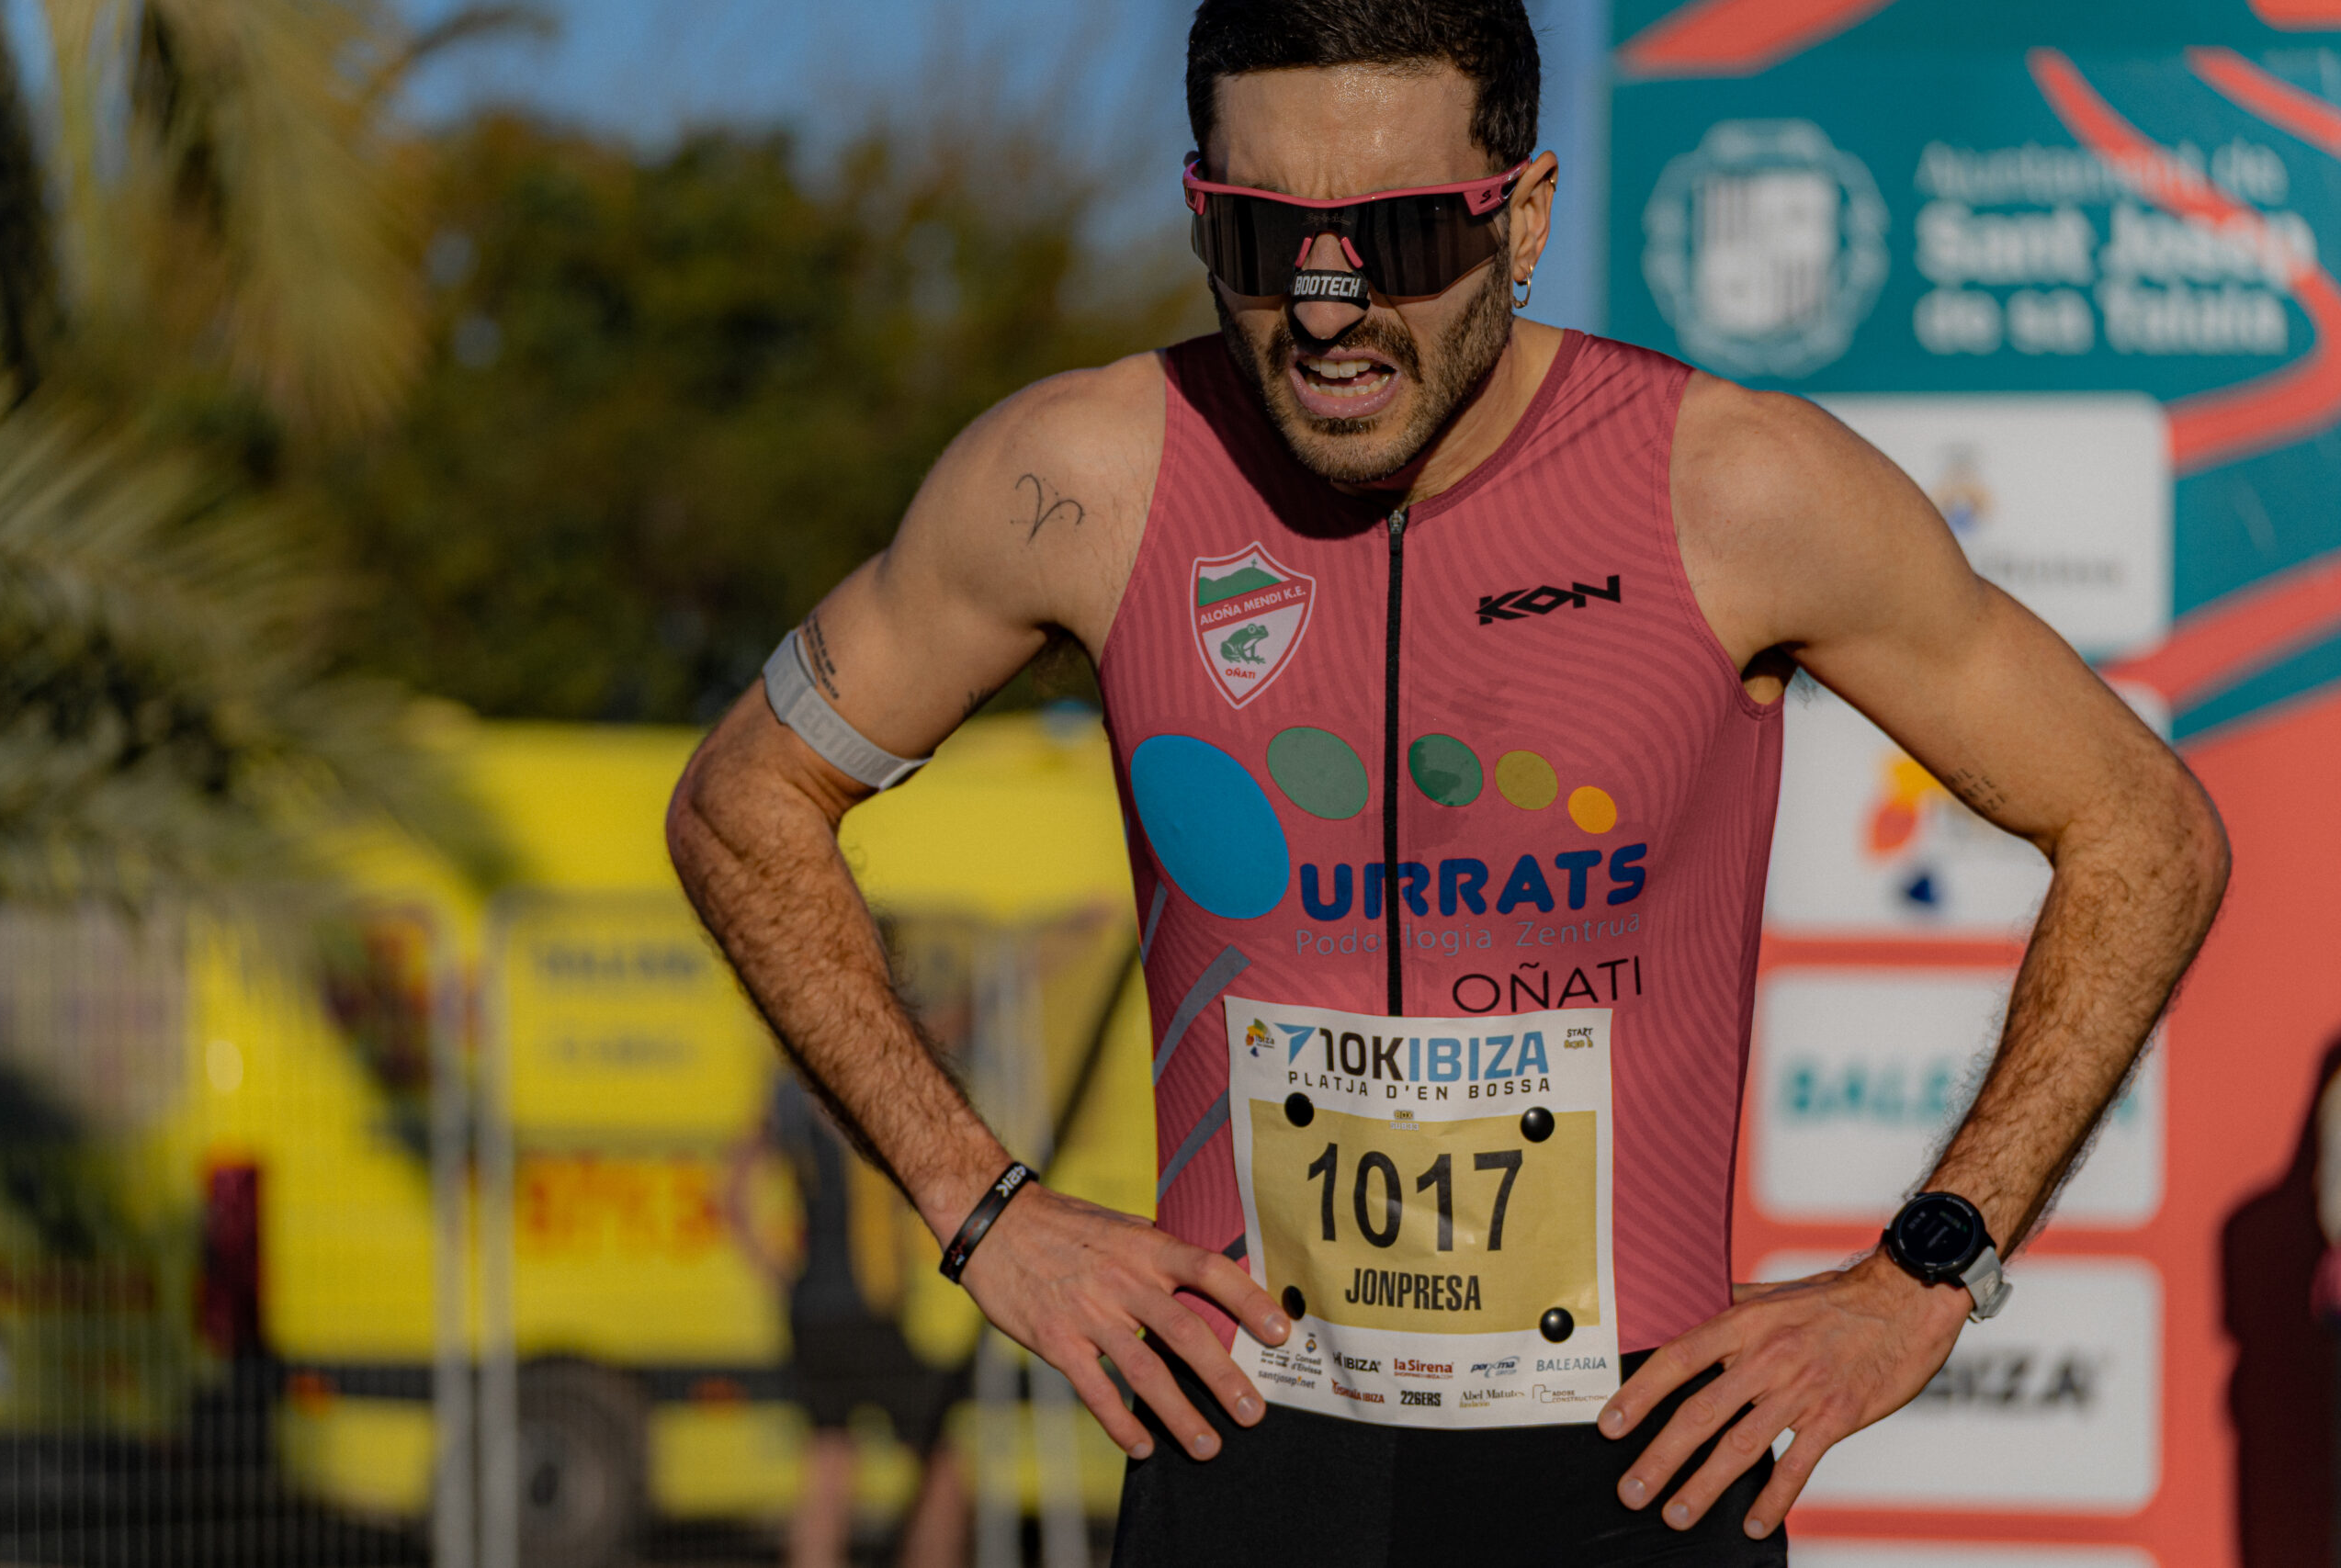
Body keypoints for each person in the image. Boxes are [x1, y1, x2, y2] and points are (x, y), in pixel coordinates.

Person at [667, 0, 2229, 1559]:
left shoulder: (1737, 488)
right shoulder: (1085, 476)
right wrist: (981, 1208)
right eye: (1264, 238)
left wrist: (1929, 1269)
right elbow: (743, 802)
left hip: (1631, 1468)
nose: (1328, 308)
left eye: (1401, 234)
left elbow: (2143, 830)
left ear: (1523, 216)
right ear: (1199, 212)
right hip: (1243, 1451)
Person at [728, 1069, 968, 1568]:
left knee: (830, 1459)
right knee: (940, 1464)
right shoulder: (859, 1092)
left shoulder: (787, 1098)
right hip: (864, 1312)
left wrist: (779, 1271)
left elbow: (733, 1196)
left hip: (809, 1309)